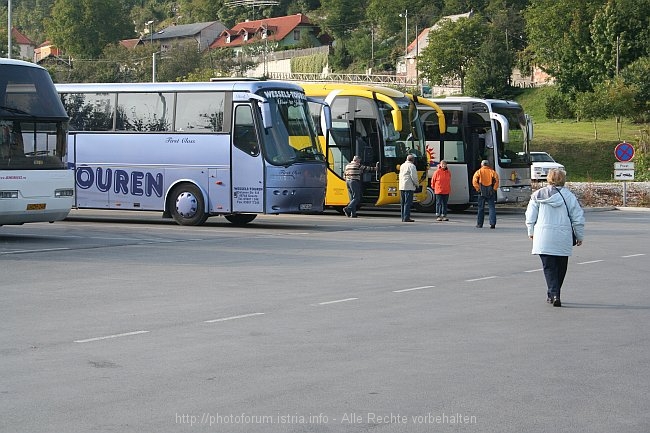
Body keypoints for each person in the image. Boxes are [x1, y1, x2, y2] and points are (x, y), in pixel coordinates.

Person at [525, 168, 584, 307]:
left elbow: (530, 216)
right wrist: (579, 235)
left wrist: (531, 231)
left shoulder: (537, 195)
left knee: (549, 267)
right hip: (563, 236)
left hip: (543, 236)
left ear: (548, 178)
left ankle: (553, 293)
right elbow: (578, 218)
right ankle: (555, 292)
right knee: (561, 267)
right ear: (563, 179)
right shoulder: (569, 196)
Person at [472, 160, 499, 229]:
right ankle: (492, 223)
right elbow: (496, 181)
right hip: (490, 192)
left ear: (482, 165)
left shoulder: (478, 172)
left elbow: (474, 181)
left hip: (481, 192)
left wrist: (478, 189)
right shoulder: (492, 172)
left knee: (481, 208)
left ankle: (479, 224)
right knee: (491, 208)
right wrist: (494, 189)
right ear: (488, 165)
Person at [399, 154, 419, 222]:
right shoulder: (412, 166)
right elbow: (414, 177)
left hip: (402, 186)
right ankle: (406, 217)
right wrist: (417, 184)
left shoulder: (402, 165)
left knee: (403, 202)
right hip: (409, 186)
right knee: (408, 202)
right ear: (413, 160)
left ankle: (403, 217)